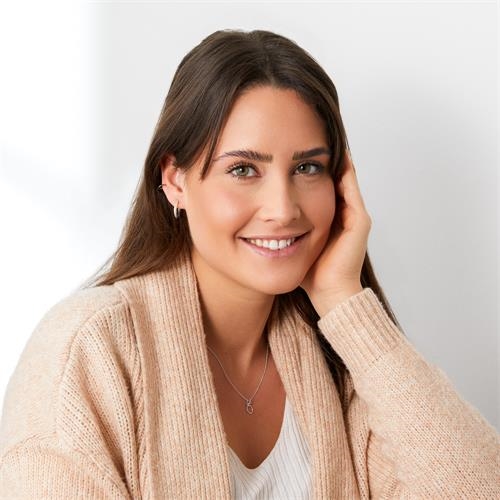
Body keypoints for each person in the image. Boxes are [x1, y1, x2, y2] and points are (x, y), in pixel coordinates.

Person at [0, 29, 498, 499]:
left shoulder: (338, 359)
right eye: (243, 169)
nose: (282, 209)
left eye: (308, 167)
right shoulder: (89, 348)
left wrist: (346, 303)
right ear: (174, 179)